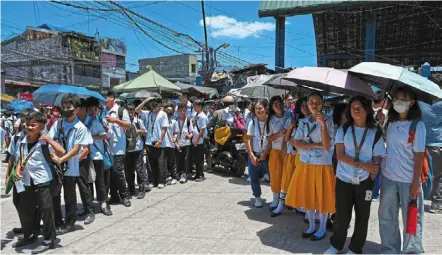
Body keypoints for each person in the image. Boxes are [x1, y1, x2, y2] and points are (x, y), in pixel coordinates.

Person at [324, 96, 385, 254]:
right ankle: (336, 245)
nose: (355, 110)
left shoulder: (375, 132)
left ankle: (356, 248)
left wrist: (372, 174)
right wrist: (364, 165)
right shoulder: (343, 130)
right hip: (344, 179)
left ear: (367, 110)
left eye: (359, 107)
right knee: (341, 217)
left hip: (365, 182)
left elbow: (377, 157)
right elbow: (340, 155)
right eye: (352, 107)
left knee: (362, 217)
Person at [378, 87, 425, 254]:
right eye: (396, 98)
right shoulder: (389, 122)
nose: (399, 101)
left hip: (408, 179)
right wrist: (380, 122)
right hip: (388, 176)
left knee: (412, 217)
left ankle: (412, 250)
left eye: (404, 98)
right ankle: (389, 248)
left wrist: (415, 184)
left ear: (412, 102)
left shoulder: (417, 125)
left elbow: (419, 156)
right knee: (386, 216)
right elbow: (385, 143)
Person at [286, 92, 335, 241]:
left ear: (322, 104)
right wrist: (314, 145)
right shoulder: (303, 122)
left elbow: (327, 146)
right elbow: (296, 142)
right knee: (308, 195)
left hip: (322, 164)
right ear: (307, 103)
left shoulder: (329, 121)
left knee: (323, 195)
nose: (314, 105)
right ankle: (312, 225)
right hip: (306, 163)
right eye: (311, 102)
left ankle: (322, 227)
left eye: (318, 102)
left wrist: (323, 126)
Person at [13, 111, 64, 253]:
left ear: (41, 126)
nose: (28, 127)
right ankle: (29, 234)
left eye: (32, 125)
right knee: (25, 208)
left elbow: (61, 151)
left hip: (42, 180)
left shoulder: (44, 141)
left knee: (46, 210)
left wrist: (49, 140)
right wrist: (18, 170)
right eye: (27, 124)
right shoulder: (22, 140)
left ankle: (49, 239)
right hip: (27, 181)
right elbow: (20, 158)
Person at [49, 94, 92, 234]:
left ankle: (70, 222)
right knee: (55, 194)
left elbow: (76, 150)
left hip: (71, 167)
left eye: (69, 107)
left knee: (69, 196)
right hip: (56, 166)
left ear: (76, 109)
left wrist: (61, 159)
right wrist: (54, 156)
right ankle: (57, 221)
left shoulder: (80, 128)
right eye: (64, 107)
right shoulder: (58, 123)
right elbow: (50, 140)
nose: (66, 109)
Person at [272, 97, 309, 217]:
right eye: (302, 105)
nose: (305, 107)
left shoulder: (312, 122)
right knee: (286, 179)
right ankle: (280, 205)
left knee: (300, 181)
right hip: (290, 154)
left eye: (306, 105)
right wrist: (291, 127)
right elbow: (286, 138)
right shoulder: (292, 119)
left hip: (303, 156)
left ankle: (299, 204)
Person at [102, 91, 132, 207]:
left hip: (118, 147)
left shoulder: (120, 110)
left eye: (106, 98)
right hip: (108, 147)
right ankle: (114, 195)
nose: (104, 100)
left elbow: (128, 125)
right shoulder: (105, 112)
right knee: (111, 172)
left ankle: (125, 195)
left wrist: (116, 121)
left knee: (118, 171)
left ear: (112, 98)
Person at [85, 99, 112, 215]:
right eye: (90, 110)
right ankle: (89, 205)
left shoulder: (100, 120)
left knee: (100, 180)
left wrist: (91, 137)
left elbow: (105, 136)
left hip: (98, 154)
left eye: (94, 110)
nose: (92, 112)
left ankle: (103, 203)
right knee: (88, 181)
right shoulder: (83, 121)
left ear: (98, 110)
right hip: (85, 155)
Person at [419, 78, 442, 214]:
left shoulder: (421, 104)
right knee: (439, 175)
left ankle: (417, 198)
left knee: (422, 173)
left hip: (422, 143)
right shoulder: (440, 105)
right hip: (438, 143)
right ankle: (437, 203)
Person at [246, 99, 270, 208]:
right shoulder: (252, 122)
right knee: (253, 176)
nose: (258, 110)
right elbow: (248, 139)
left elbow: (271, 140)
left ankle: (277, 198)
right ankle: (257, 197)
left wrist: (265, 153)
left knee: (272, 175)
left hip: (268, 153)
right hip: (255, 153)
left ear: (265, 108)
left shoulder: (270, 121)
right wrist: (251, 155)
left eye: (260, 108)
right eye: (256, 108)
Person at [265, 96, 286, 211]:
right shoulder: (271, 120)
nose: (279, 106)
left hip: (288, 151)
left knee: (287, 175)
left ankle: (286, 199)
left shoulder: (290, 115)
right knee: (275, 175)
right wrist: (279, 134)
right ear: (272, 108)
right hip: (276, 151)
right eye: (276, 104)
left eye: (280, 103)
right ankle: (275, 199)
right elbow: (268, 139)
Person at [145, 98, 169, 189]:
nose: (153, 109)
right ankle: (153, 181)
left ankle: (161, 181)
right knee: (150, 164)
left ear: (159, 106)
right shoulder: (149, 114)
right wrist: (147, 100)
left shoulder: (163, 114)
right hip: (149, 141)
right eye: (152, 107)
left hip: (159, 142)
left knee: (160, 163)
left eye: (155, 107)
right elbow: (137, 110)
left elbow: (164, 128)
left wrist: (160, 140)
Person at [125, 103, 147, 198]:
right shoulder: (124, 122)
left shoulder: (138, 121)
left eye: (132, 112)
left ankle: (141, 190)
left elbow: (145, 132)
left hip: (138, 148)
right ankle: (131, 189)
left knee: (139, 169)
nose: (130, 114)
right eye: (128, 112)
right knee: (129, 171)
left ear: (134, 112)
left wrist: (138, 131)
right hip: (127, 149)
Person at [189, 99, 208, 182]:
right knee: (196, 159)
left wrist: (197, 140)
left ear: (200, 106)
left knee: (199, 159)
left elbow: (202, 130)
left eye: (196, 106)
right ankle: (197, 174)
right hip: (195, 140)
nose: (194, 107)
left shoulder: (202, 116)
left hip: (199, 141)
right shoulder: (196, 114)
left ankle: (201, 175)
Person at [175, 103, 192, 183]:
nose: (182, 112)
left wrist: (189, 136)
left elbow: (191, 132)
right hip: (178, 143)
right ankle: (178, 173)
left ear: (186, 111)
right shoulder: (175, 120)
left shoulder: (188, 120)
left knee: (185, 160)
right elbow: (173, 133)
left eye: (184, 110)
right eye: (180, 110)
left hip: (186, 144)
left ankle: (184, 175)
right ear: (178, 111)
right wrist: (176, 143)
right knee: (178, 160)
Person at [163, 103, 179, 185]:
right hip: (163, 145)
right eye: (167, 110)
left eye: (171, 110)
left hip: (171, 145)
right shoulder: (161, 120)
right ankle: (166, 177)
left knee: (172, 161)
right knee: (164, 162)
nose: (169, 112)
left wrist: (175, 137)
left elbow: (176, 132)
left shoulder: (174, 122)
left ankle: (174, 176)